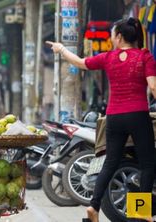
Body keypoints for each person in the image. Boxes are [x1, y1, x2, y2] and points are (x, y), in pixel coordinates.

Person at [47, 17, 156, 222]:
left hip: (114, 117)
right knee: (147, 164)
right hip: (137, 116)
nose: (111, 38)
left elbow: (80, 63)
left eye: (113, 34)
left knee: (110, 163)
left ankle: (94, 207)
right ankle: (142, 213)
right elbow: (153, 87)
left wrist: (61, 49)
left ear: (120, 36)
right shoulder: (144, 56)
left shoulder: (109, 57)